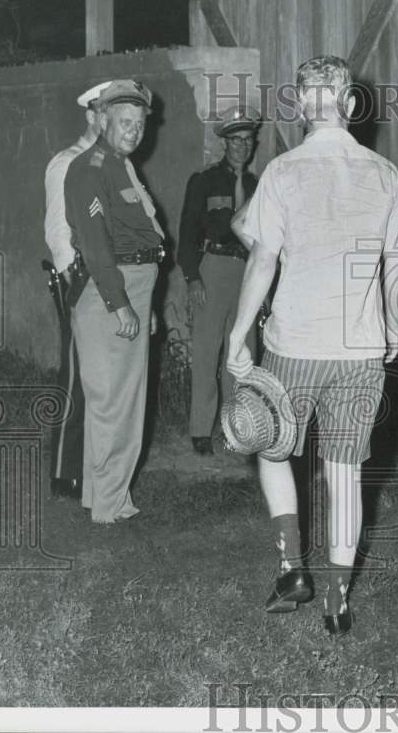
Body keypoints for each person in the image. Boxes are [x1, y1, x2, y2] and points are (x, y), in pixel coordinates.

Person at [226, 55, 398, 635]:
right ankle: (336, 600)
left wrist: (237, 335)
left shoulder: (280, 172)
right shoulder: (385, 174)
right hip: (360, 350)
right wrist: (395, 326)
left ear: (302, 106)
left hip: (294, 345)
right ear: (350, 105)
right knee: (345, 474)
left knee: (273, 447)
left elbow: (261, 258)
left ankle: (291, 568)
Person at [64, 79, 165, 524]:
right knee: (113, 403)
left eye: (140, 124)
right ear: (103, 120)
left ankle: (100, 497)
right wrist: (120, 302)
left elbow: (137, 236)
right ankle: (110, 505)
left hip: (132, 289)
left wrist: (145, 305)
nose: (134, 130)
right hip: (111, 290)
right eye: (125, 122)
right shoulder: (90, 167)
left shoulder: (120, 165)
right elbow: (95, 242)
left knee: (121, 400)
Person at [178, 105, 260, 455]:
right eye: (235, 140)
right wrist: (192, 277)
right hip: (213, 268)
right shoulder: (204, 181)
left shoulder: (259, 185)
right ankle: (200, 430)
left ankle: (235, 428)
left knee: (241, 352)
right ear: (224, 142)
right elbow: (186, 234)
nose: (242, 146)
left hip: (248, 271)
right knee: (208, 350)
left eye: (248, 140)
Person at [43, 80, 111, 498]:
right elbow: (57, 230)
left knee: (103, 377)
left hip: (107, 277)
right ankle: (64, 471)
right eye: (103, 112)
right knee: (75, 373)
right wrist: (75, 280)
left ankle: (94, 467)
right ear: (90, 115)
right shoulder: (66, 163)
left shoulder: (108, 164)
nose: (109, 120)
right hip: (78, 279)